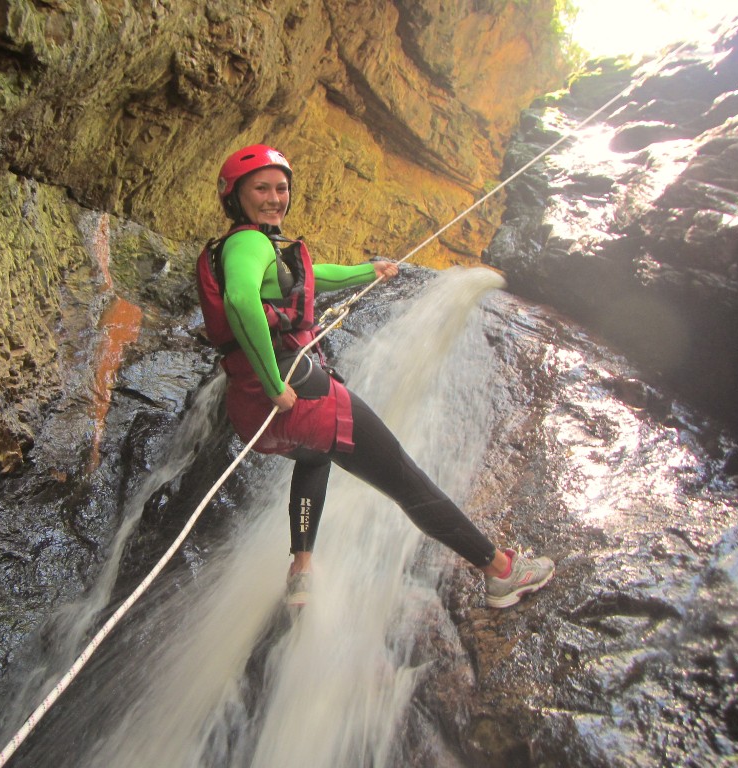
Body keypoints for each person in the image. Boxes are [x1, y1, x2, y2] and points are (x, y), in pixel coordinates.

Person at [196, 144, 554, 609]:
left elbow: (306, 277)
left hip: (249, 410)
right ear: (234, 195)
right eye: (260, 188)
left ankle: (302, 569)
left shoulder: (238, 247)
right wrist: (275, 384)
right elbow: (244, 302)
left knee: (314, 457)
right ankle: (501, 572)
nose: (274, 197)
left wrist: (367, 270)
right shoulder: (250, 242)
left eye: (281, 188)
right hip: (296, 394)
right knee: (405, 479)